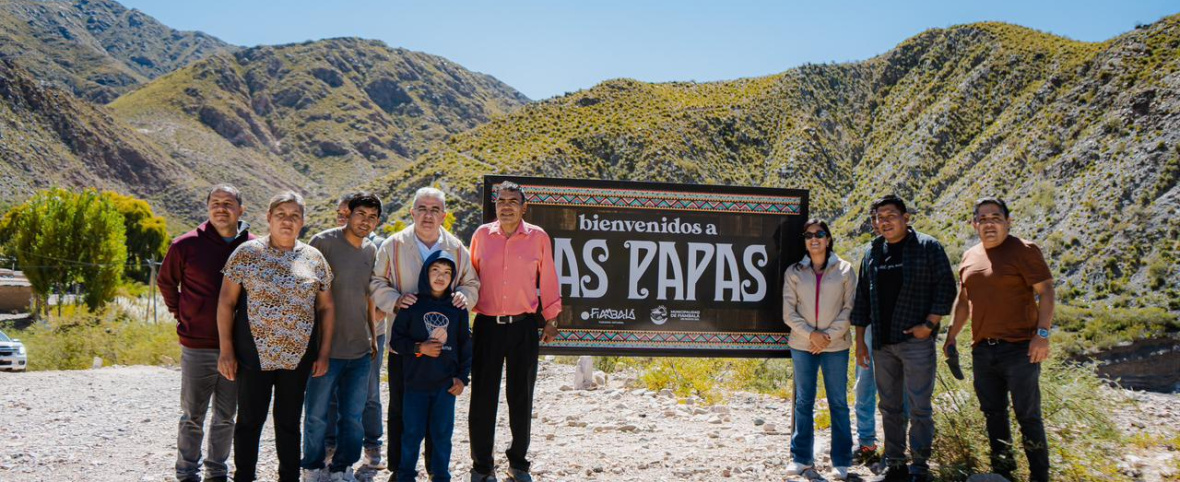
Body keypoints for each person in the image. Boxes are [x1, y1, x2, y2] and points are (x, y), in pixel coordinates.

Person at [216, 191, 336, 482]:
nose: (287, 221)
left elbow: (327, 307)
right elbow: (226, 303)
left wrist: (323, 353)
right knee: (249, 421)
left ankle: (289, 477)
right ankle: (244, 476)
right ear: (269, 218)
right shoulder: (246, 254)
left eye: (295, 215)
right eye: (281, 214)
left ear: (303, 222)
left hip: (298, 357)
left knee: (289, 423)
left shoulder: (313, 258)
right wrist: (227, 350)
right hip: (252, 354)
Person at [371, 187, 479, 479]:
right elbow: (377, 281)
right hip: (404, 344)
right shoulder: (393, 246)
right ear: (412, 212)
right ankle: (400, 468)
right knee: (401, 407)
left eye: (435, 210)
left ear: (444, 215)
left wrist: (464, 298)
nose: (428, 215)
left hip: (445, 353)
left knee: (439, 413)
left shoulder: (456, 248)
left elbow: (472, 284)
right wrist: (395, 300)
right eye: (422, 208)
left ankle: (435, 468)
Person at [944, 198, 1055, 482]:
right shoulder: (970, 257)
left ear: (1008, 221)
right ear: (974, 224)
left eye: (995, 217)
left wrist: (1042, 335)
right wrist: (951, 336)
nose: (989, 223)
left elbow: (1046, 291)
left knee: (1027, 416)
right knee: (993, 415)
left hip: (1020, 348)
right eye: (982, 218)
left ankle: (1040, 476)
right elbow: (964, 300)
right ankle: (1004, 472)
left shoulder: (1024, 250)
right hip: (983, 350)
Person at [850, 195, 956, 482]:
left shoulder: (927, 247)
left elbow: (946, 287)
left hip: (916, 342)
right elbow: (862, 300)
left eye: (890, 215)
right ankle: (895, 464)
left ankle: (920, 467)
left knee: (920, 406)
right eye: (879, 217)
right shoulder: (873, 252)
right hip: (882, 343)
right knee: (889, 406)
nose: (884, 221)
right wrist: (861, 341)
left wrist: (929, 324)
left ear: (905, 217)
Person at [467, 181, 562, 482]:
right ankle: (482, 467)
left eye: (513, 201)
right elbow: (470, 279)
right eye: (501, 201)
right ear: (495, 206)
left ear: (524, 207)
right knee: (482, 399)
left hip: (522, 327)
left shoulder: (538, 237)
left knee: (520, 397)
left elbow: (548, 278)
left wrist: (552, 317)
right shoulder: (482, 236)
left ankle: (518, 464)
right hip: (486, 327)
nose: (506, 205)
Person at [158, 184, 254, 482]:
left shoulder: (253, 247)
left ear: (241, 209)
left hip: (237, 348)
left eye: (228, 203)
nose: (221, 208)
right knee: (192, 416)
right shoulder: (185, 245)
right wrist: (182, 315)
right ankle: (187, 473)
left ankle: (216, 473)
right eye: (215, 202)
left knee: (226, 416)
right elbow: (166, 283)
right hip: (197, 346)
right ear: (208, 207)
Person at [302, 193, 383, 482]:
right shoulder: (322, 242)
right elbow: (304, 293)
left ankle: (342, 467)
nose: (366, 221)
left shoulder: (371, 250)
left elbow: (369, 297)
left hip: (359, 349)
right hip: (325, 349)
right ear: (348, 213)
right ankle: (312, 467)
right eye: (361, 214)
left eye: (373, 217)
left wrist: (373, 337)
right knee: (316, 414)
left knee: (352, 417)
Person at [782, 219, 857, 480]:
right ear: (804, 240)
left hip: (835, 346)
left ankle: (842, 461)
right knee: (803, 401)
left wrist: (825, 337)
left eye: (820, 234)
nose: (814, 239)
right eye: (809, 235)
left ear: (828, 239)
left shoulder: (845, 270)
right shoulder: (794, 272)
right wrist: (811, 336)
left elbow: (849, 310)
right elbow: (788, 313)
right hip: (802, 345)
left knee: (838, 403)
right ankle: (801, 458)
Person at [391, 251, 473, 482]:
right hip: (415, 384)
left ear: (453, 277)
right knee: (411, 434)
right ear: (425, 273)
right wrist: (420, 347)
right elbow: (396, 341)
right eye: (435, 270)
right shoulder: (412, 305)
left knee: (441, 435)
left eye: (447, 272)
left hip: (445, 386)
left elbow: (465, 346)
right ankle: (405, 475)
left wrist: (462, 378)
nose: (441, 276)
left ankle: (440, 476)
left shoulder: (457, 308)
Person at [325, 193, 387, 474]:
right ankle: (331, 445)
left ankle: (372, 443)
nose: (342, 218)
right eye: (339, 214)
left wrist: (372, 321)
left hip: (371, 333)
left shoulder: (377, 247)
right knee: (333, 392)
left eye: (345, 213)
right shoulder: (326, 243)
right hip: (335, 333)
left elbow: (382, 290)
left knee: (369, 391)